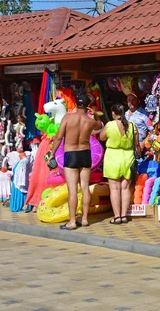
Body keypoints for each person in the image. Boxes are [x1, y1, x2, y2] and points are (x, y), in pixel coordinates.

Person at [49, 93, 103, 230]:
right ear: (87, 106)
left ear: (76, 104)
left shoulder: (67, 118)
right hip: (85, 154)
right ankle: (84, 219)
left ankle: (72, 221)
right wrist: (95, 114)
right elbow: (99, 126)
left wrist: (52, 154)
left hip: (71, 154)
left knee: (72, 190)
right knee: (85, 187)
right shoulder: (90, 121)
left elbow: (58, 137)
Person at [100, 103, 140, 224]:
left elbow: (101, 138)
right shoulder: (132, 126)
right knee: (125, 188)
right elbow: (137, 145)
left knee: (114, 188)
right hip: (128, 157)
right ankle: (124, 216)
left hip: (112, 157)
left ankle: (117, 216)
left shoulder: (110, 125)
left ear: (113, 113)